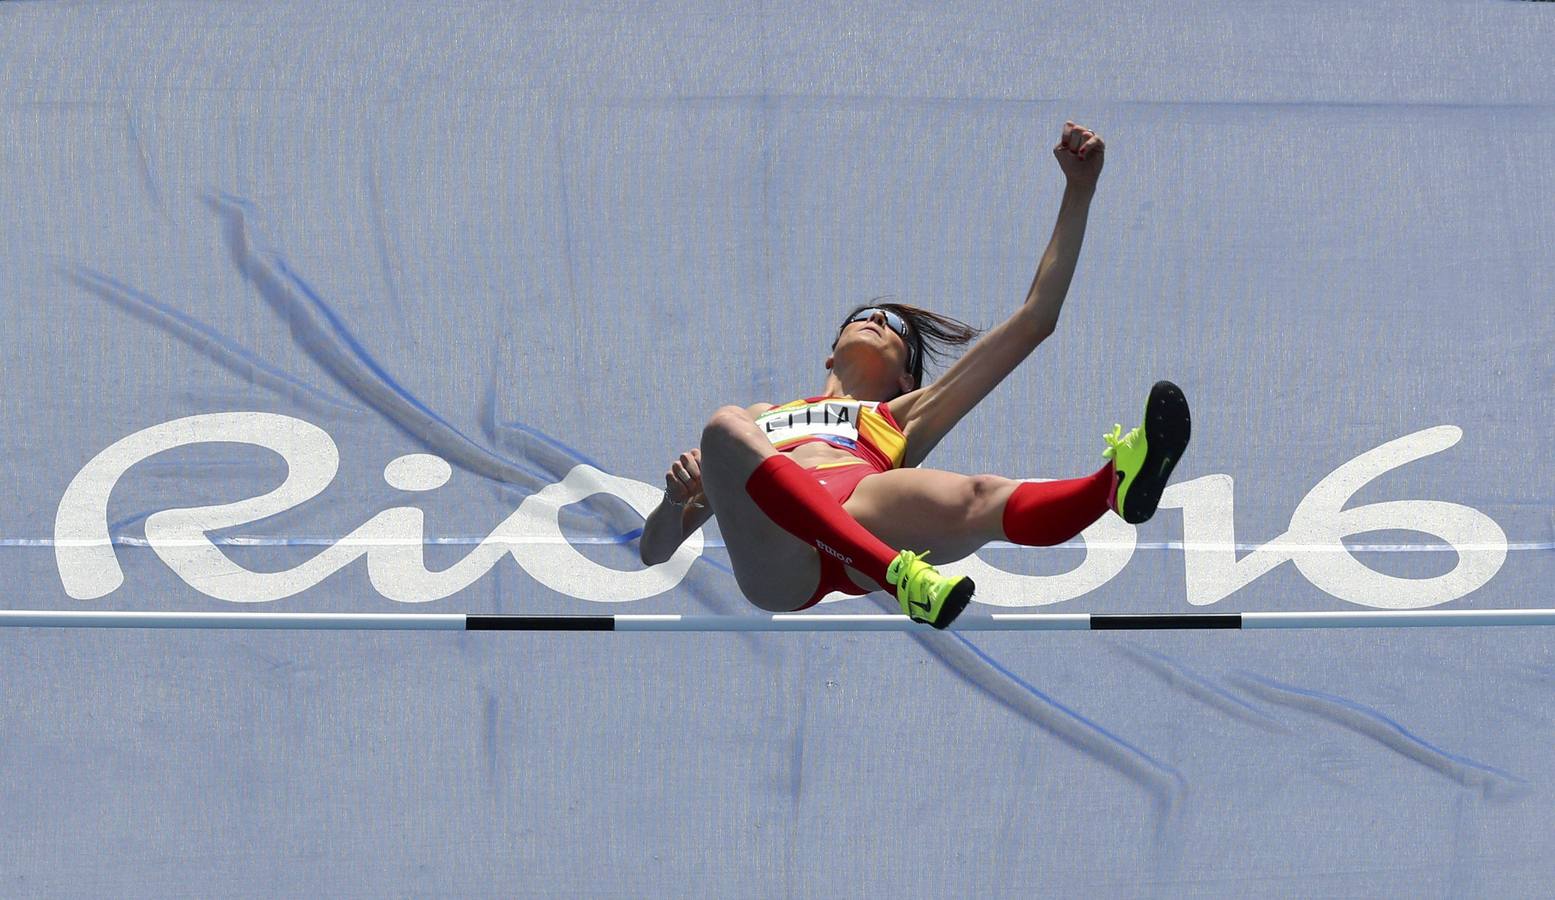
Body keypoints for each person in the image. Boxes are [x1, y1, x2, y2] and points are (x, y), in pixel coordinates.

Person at [639, 121, 1190, 629]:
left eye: (893, 325)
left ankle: (1111, 486)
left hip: (865, 507)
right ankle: (895, 575)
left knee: (980, 496)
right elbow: (654, 550)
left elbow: (1034, 321)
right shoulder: (760, 421)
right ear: (831, 354)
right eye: (864, 317)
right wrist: (673, 500)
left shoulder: (900, 415)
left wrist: (1080, 190)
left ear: (906, 377)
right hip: (779, 553)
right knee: (722, 428)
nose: (877, 318)